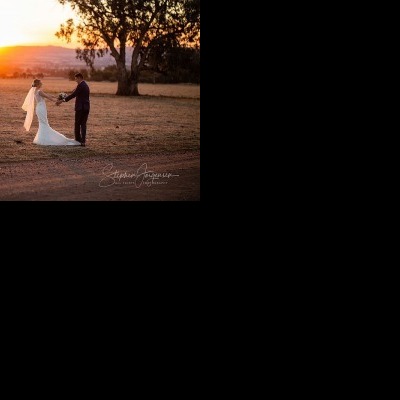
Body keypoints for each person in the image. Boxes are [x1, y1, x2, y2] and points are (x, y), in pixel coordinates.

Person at [22, 79, 81, 146]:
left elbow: (48, 95)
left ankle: (42, 138)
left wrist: (58, 97)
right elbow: (48, 97)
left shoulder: (35, 91)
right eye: (41, 83)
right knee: (44, 123)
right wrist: (58, 101)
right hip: (41, 108)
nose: (42, 84)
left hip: (39, 108)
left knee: (42, 123)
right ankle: (46, 138)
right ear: (38, 84)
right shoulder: (39, 91)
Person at [56, 73, 90, 147]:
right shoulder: (86, 85)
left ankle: (78, 140)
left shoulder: (80, 85)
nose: (75, 80)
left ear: (79, 78)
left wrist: (62, 101)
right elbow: (75, 93)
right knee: (83, 124)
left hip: (80, 108)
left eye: (76, 79)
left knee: (77, 124)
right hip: (86, 108)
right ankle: (83, 141)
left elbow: (73, 95)